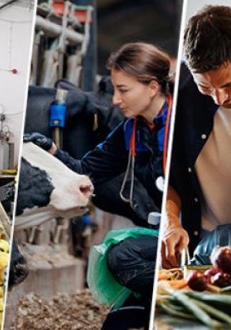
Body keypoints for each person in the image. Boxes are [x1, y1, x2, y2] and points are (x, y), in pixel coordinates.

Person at [25, 42, 173, 301]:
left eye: (123, 90)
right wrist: (51, 150)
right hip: (168, 230)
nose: (116, 100)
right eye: (115, 90)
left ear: (152, 87)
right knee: (119, 256)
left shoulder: (180, 122)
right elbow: (86, 170)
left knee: (126, 259)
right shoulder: (131, 130)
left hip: (200, 228)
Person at [161, 5, 231, 269]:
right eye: (206, 87)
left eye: (229, 84)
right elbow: (171, 173)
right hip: (202, 250)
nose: (220, 98)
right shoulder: (182, 92)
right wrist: (170, 222)